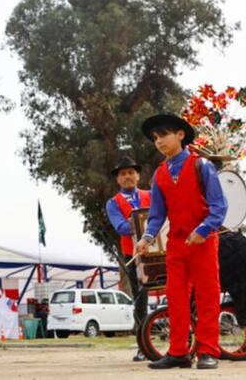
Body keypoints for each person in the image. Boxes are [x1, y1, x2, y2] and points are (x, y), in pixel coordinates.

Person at [135, 113, 227, 370]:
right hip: (176, 245)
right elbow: (156, 215)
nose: (159, 141)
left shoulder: (202, 166)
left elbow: (219, 206)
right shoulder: (160, 174)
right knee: (175, 298)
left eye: (163, 135)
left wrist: (205, 228)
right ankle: (178, 352)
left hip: (203, 242)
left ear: (180, 134)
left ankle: (209, 351)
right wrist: (146, 238)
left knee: (208, 296)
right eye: (155, 138)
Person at [104, 155, 150, 361]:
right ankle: (143, 345)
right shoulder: (113, 203)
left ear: (138, 175)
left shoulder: (151, 195)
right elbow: (121, 227)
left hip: (159, 252)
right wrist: (144, 220)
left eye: (131, 172)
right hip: (133, 255)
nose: (127, 177)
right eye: (123, 174)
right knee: (140, 298)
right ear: (118, 180)